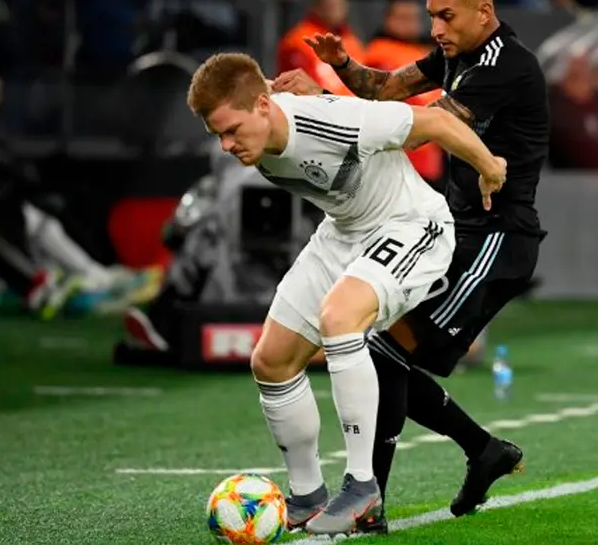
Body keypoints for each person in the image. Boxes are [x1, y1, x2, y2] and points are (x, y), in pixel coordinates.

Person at [272, 0, 549, 529]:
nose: (436, 29)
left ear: (485, 11)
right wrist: (341, 66)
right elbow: (384, 92)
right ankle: (479, 452)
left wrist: (317, 105)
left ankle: (373, 501)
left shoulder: (505, 65)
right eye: (431, 16)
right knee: (378, 346)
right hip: (459, 228)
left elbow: (424, 123)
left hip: (496, 239)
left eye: (446, 17)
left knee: (380, 349)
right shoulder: (457, 53)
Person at [186, 52, 507, 536]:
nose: (228, 145)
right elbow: (262, 91)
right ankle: (307, 495)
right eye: (218, 136)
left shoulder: (330, 121)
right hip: (343, 234)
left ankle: (362, 487)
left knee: (340, 319)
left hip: (411, 224)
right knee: (270, 362)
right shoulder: (261, 111)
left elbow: (433, 123)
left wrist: (489, 168)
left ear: (261, 106)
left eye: (232, 130)